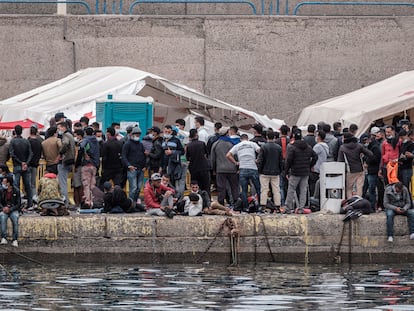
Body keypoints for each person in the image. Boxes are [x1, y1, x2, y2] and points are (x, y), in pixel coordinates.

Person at [284, 129, 318, 213]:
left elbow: (289, 160)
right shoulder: (308, 147)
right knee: (303, 190)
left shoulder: (292, 147)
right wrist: (310, 165)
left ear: (294, 137)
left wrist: (286, 171)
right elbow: (315, 156)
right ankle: (301, 208)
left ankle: (288, 208)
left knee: (291, 189)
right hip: (305, 172)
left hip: (295, 172)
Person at [227, 133, 261, 212]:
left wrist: (235, 162)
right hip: (253, 168)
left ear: (240, 139)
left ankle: (246, 207)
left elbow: (228, 155)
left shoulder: (237, 146)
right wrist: (258, 160)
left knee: (244, 190)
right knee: (258, 188)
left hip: (242, 168)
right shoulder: (252, 144)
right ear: (247, 138)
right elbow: (260, 151)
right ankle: (259, 206)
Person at [338, 132, 373, 199]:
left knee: (349, 189)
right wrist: (366, 162)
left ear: (345, 138)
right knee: (359, 188)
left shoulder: (342, 148)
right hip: (360, 170)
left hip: (349, 171)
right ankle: (359, 202)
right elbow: (370, 154)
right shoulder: (359, 146)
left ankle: (350, 204)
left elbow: (340, 161)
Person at [211, 126, 239, 207]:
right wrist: (237, 166)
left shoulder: (216, 144)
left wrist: (214, 169)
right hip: (232, 169)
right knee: (234, 186)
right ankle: (236, 203)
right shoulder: (232, 143)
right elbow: (236, 156)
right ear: (227, 133)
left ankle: (221, 203)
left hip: (220, 169)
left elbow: (213, 158)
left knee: (221, 187)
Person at [257, 131, 283, 210]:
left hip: (264, 172)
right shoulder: (278, 147)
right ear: (274, 137)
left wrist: (259, 170)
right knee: (276, 189)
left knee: (264, 189)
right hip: (275, 172)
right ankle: (278, 205)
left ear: (267, 137)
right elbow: (281, 161)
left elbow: (260, 160)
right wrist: (280, 170)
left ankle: (263, 206)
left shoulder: (264, 147)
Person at [9, 125, 33, 209]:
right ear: (22, 131)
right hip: (26, 166)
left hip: (17, 166)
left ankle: (17, 204)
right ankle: (30, 204)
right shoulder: (26, 141)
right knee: (28, 186)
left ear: (15, 131)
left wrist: (20, 162)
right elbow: (31, 153)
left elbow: (12, 154)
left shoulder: (12, 142)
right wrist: (26, 163)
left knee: (16, 186)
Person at [122, 126, 146, 203]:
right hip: (132, 169)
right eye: (136, 134)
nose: (137, 136)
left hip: (140, 169)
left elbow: (143, 155)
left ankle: (135, 202)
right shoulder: (127, 144)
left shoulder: (141, 144)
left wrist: (145, 166)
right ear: (132, 134)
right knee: (133, 187)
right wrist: (129, 165)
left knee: (139, 188)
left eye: (139, 135)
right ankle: (131, 202)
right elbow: (124, 156)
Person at [80, 127, 100, 208]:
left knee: (86, 185)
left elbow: (81, 146)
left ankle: (88, 202)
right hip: (94, 165)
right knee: (93, 185)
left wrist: (85, 153)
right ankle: (93, 201)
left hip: (87, 164)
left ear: (85, 133)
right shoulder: (96, 141)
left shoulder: (86, 140)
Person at [186, 129, 210, 196]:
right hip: (203, 167)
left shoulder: (189, 145)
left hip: (193, 168)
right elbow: (207, 154)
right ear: (196, 135)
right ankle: (207, 200)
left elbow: (188, 158)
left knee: (195, 186)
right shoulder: (202, 143)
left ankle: (196, 198)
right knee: (206, 186)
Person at [57, 121, 76, 208]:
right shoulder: (71, 135)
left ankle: (65, 202)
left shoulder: (66, 136)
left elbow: (65, 143)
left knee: (63, 183)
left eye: (59, 128)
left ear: (64, 127)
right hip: (70, 160)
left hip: (65, 161)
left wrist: (60, 152)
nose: (58, 130)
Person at [0, 176, 21, 247]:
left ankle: (15, 239)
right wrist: (3, 208)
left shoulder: (16, 191)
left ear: (9, 183)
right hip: (4, 209)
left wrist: (11, 209)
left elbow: (18, 204)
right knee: (2, 217)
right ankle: (3, 237)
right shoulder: (2, 191)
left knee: (15, 218)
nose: (3, 183)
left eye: (4, 182)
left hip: (13, 209)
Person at [28, 125, 42, 202]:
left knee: (28, 183)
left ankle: (29, 200)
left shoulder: (28, 142)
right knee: (33, 184)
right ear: (36, 132)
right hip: (35, 164)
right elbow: (40, 154)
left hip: (28, 164)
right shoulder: (39, 143)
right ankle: (34, 199)